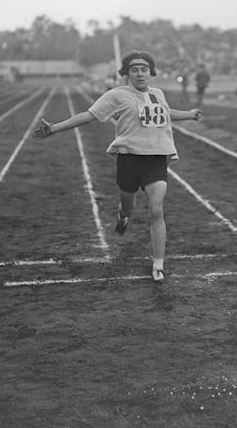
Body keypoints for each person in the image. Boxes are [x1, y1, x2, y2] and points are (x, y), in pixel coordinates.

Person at [32, 51, 202, 282]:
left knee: (156, 210)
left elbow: (166, 114)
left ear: (150, 71)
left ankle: (158, 265)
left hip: (156, 158)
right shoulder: (117, 95)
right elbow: (88, 115)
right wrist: (54, 128)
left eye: (144, 69)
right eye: (134, 69)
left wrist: (190, 115)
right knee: (128, 203)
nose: (140, 73)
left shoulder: (158, 93)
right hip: (129, 158)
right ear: (127, 73)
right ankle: (123, 215)